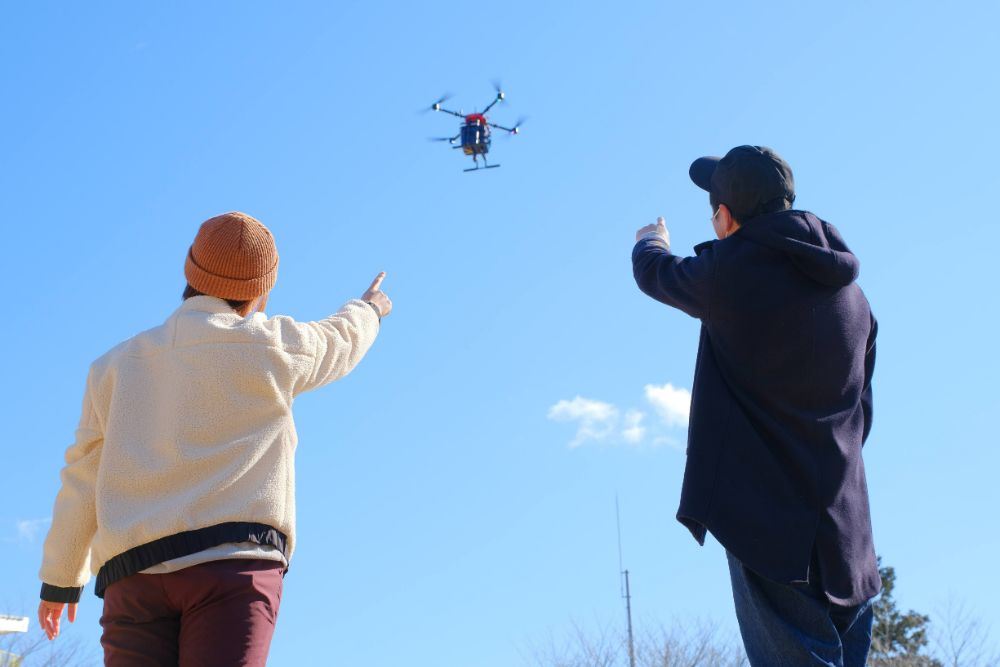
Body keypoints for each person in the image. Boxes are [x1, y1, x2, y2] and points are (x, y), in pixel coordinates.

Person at [36, 211, 392, 665]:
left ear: (190, 272)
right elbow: (339, 340)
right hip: (233, 566)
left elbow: (83, 474)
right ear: (261, 290)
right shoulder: (273, 344)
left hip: (134, 576)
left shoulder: (114, 367)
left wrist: (61, 579)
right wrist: (369, 308)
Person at [632, 146, 879, 666]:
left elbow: (658, 273)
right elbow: (864, 405)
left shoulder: (732, 271)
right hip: (845, 528)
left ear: (725, 217)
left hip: (768, 526)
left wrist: (650, 242)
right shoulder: (854, 297)